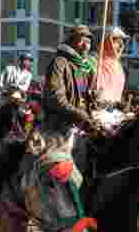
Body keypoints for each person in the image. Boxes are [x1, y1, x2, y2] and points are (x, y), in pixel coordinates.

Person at [42, 24, 107, 175]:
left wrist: (93, 99)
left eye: (89, 42)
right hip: (59, 130)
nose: (86, 45)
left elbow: (83, 97)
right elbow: (56, 98)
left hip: (79, 130)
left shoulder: (82, 67)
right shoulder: (60, 63)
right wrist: (80, 115)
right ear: (71, 41)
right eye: (82, 40)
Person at [95, 26, 129, 105]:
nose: (121, 46)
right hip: (94, 111)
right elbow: (80, 85)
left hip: (112, 113)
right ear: (105, 41)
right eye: (116, 41)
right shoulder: (91, 62)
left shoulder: (119, 67)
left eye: (122, 42)